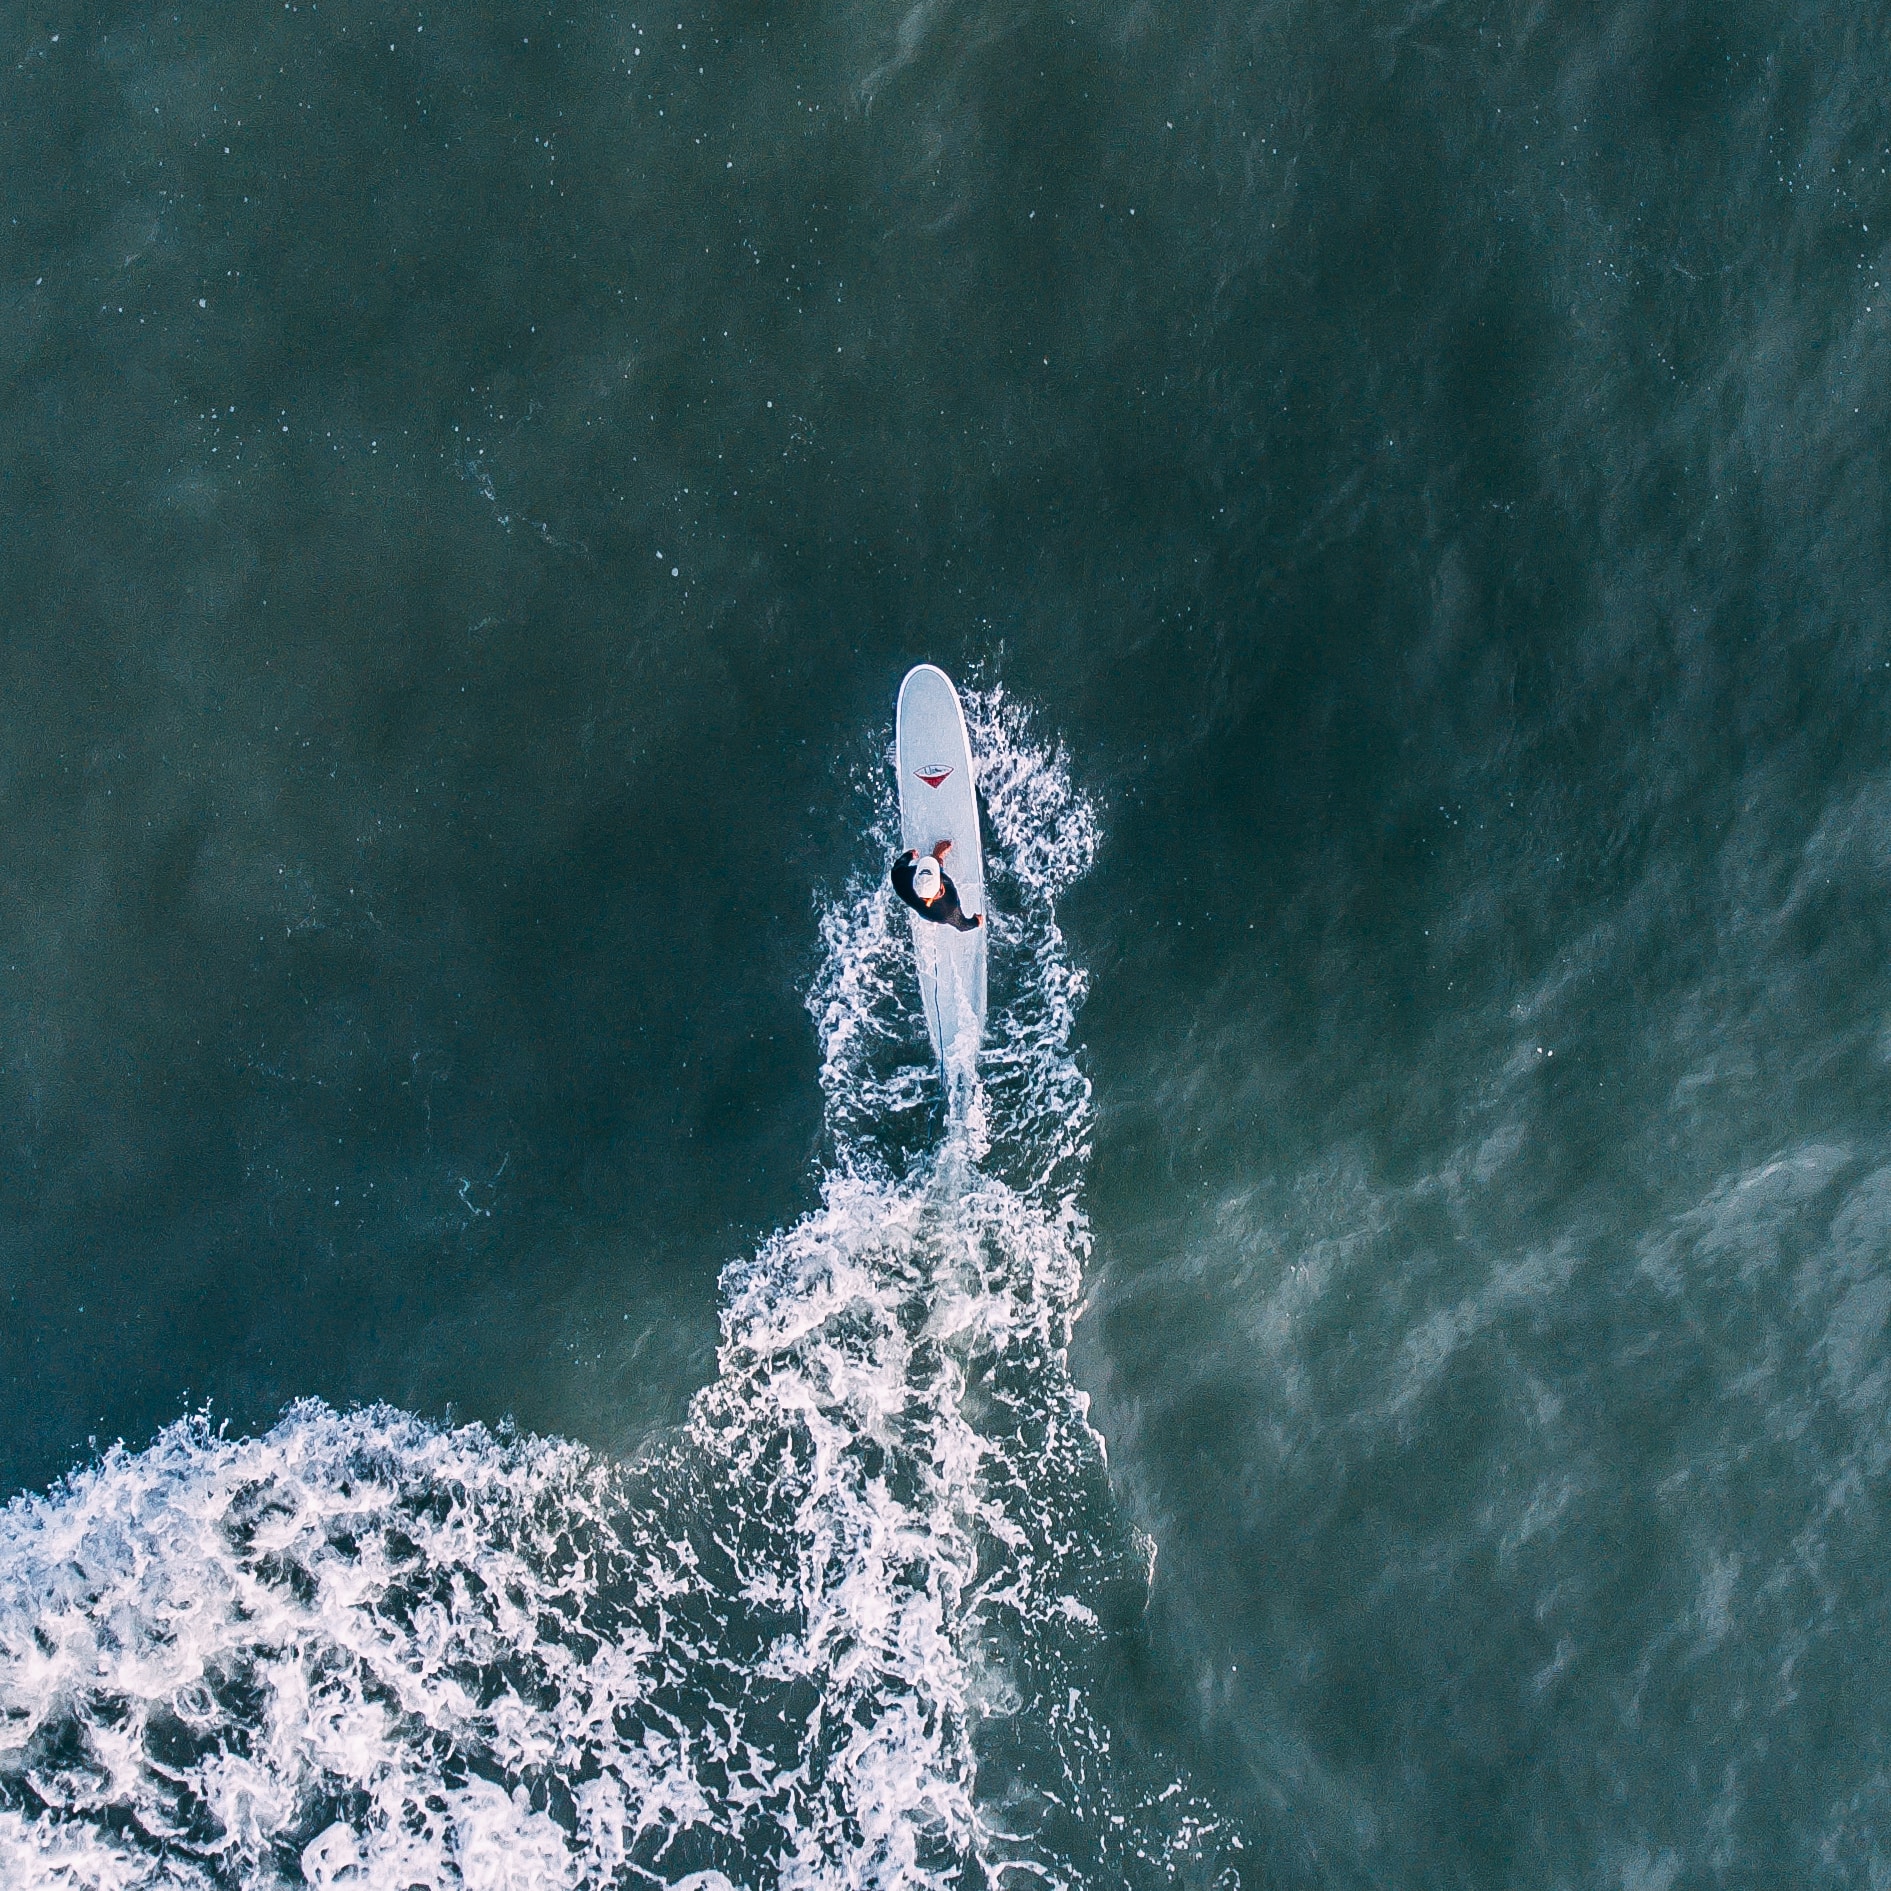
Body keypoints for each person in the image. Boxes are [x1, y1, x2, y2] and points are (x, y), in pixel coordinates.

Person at [890, 838, 982, 931]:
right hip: (935, 909)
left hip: (917, 882)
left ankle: (934, 860)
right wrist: (977, 921)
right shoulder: (948, 910)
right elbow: (962, 926)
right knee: (937, 859)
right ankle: (937, 858)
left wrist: (909, 855)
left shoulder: (901, 879)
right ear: (941, 889)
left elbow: (896, 868)